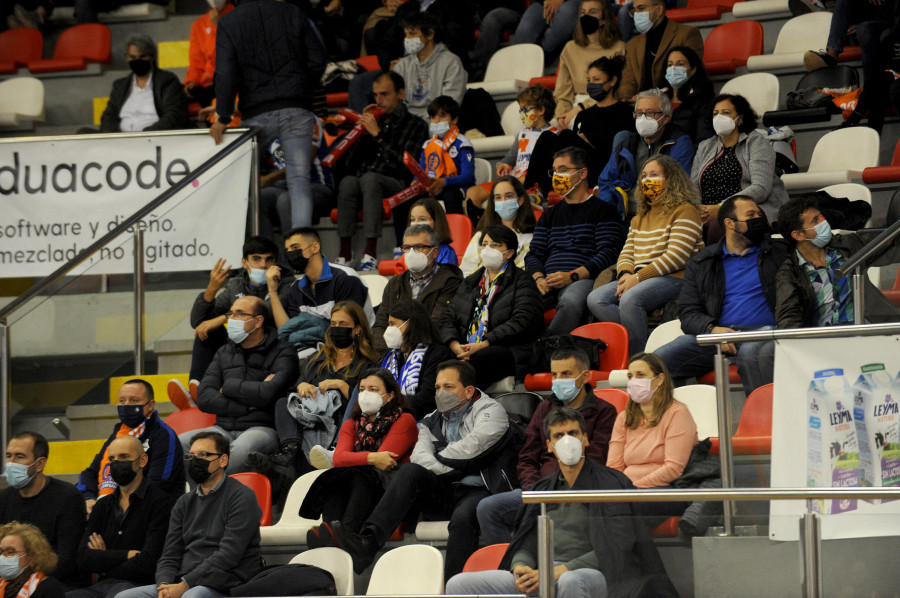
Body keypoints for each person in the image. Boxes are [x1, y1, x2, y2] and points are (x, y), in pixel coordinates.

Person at [447, 407, 677, 598]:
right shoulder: (542, 489)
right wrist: (521, 567)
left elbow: (617, 547)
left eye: (573, 433)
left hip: (597, 573)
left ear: (585, 439)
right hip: (543, 573)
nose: (567, 441)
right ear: (548, 445)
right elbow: (526, 541)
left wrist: (558, 571)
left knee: (570, 581)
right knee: (459, 585)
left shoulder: (612, 482)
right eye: (558, 436)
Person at [331, 360, 514, 580]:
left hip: (480, 490)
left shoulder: (492, 411)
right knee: (409, 471)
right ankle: (368, 542)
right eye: (437, 387)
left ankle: (454, 587)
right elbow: (419, 458)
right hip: (444, 490)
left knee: (463, 518)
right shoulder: (430, 419)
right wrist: (447, 467)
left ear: (468, 391)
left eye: (449, 387)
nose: (440, 393)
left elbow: (470, 451)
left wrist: (437, 459)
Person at [476, 348, 617, 545]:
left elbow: (597, 458)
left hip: (580, 492)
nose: (558, 380)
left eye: (566, 374)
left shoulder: (604, 411)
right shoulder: (544, 408)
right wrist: (535, 490)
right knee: (488, 508)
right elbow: (527, 456)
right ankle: (509, 569)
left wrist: (561, 489)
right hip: (539, 489)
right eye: (554, 374)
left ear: (585, 376)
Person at [653, 196, 786, 397]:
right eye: (751, 215)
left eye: (759, 214)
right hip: (721, 336)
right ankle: (682, 421)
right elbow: (688, 312)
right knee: (658, 362)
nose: (759, 218)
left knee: (751, 353)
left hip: (766, 332)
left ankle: (763, 423)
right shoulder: (702, 262)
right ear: (729, 223)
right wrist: (712, 329)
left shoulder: (778, 253)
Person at [211, 0, 327, 229]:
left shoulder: (228, 22)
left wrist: (223, 116)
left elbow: (225, 73)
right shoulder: (291, 10)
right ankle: (302, 252)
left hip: (256, 112)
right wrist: (302, 85)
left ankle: (248, 250)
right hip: (296, 107)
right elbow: (318, 59)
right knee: (299, 182)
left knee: (241, 181)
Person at [114, 432, 262, 598]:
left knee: (192, 596)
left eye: (203, 455)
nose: (195, 460)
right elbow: (169, 554)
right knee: (124, 597)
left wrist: (185, 585)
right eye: (191, 456)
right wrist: (164, 585)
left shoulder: (242, 497)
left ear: (223, 460)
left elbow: (228, 556)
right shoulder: (183, 502)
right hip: (183, 581)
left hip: (227, 582)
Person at [587, 156, 703, 354]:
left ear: (671, 179)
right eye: (644, 176)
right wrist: (625, 275)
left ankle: (640, 357)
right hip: (640, 277)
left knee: (630, 298)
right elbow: (626, 253)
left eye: (654, 175)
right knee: (596, 298)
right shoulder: (640, 216)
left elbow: (677, 256)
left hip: (677, 276)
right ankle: (645, 344)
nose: (647, 180)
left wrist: (638, 278)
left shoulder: (685, 210)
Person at [248, 301, 378, 477]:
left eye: (343, 324)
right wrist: (301, 385)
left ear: (357, 329)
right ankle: (289, 452)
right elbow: (295, 389)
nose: (337, 328)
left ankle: (294, 467)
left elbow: (367, 402)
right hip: (310, 417)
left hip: (339, 422)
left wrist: (342, 385)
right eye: (334, 324)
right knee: (282, 403)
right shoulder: (319, 358)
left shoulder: (368, 363)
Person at [168, 236, 292, 408]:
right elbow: (198, 321)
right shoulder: (237, 285)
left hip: (268, 345)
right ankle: (196, 389)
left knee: (215, 325)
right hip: (240, 343)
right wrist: (211, 290)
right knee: (207, 331)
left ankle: (202, 392)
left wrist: (224, 318)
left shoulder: (287, 282)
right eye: (256, 259)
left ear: (276, 262)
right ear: (244, 262)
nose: (263, 265)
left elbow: (268, 315)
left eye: (269, 259)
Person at [183, 296, 300, 476]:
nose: (231, 319)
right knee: (180, 444)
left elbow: (269, 393)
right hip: (222, 427)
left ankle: (216, 498)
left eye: (239, 314)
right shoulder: (224, 352)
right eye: (231, 314)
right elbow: (205, 397)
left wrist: (228, 387)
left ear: (258, 320)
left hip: (262, 428)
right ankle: (199, 497)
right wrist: (248, 403)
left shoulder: (283, 351)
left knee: (239, 451)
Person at [299, 369, 418, 545]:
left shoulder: (405, 420)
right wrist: (371, 457)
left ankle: (346, 531)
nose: (365, 394)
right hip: (358, 490)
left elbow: (385, 461)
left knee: (359, 474)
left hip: (390, 496)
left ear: (390, 395)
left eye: (373, 389)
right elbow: (339, 459)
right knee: (337, 476)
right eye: (362, 390)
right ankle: (331, 530)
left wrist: (360, 459)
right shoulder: (351, 424)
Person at [526, 147, 626, 336]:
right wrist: (539, 278)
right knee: (516, 303)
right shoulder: (550, 214)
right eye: (554, 171)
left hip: (581, 279)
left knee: (571, 300)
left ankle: (551, 349)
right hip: (546, 280)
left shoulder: (603, 211)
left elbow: (609, 253)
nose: (557, 176)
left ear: (582, 173)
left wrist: (572, 275)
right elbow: (534, 253)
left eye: (563, 170)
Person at [336, 71, 430, 271]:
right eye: (376, 95)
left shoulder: (416, 125)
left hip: (396, 183)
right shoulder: (372, 121)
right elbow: (349, 165)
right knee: (347, 182)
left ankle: (370, 253)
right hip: (365, 185)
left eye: (385, 94)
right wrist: (360, 132)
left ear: (400, 93)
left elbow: (405, 168)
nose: (379, 101)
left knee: (370, 179)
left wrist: (378, 136)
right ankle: (344, 253)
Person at [440, 225, 544, 388]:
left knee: (479, 359)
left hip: (508, 350)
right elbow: (448, 318)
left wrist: (483, 344)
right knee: (437, 354)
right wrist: (455, 346)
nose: (488, 249)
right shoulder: (470, 282)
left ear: (510, 253)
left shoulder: (523, 282)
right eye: (485, 244)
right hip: (468, 347)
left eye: (496, 245)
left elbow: (523, 321)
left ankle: (459, 405)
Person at [70, 437, 175, 598]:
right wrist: (126, 555)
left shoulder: (160, 503)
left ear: (142, 460)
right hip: (102, 585)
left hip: (138, 586)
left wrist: (103, 562)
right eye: (112, 459)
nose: (116, 463)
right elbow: (83, 558)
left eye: (124, 457)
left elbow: (149, 562)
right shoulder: (103, 505)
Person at [775, 195, 900, 328]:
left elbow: (891, 244)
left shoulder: (847, 245)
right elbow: (789, 320)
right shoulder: (789, 273)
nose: (824, 222)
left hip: (870, 329)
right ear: (798, 235)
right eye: (815, 220)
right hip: (826, 341)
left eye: (821, 216)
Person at [607, 352, 698, 524]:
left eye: (640, 375)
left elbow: (673, 468)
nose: (634, 381)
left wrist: (633, 490)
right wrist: (622, 491)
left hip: (666, 489)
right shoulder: (624, 418)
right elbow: (613, 467)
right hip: (629, 492)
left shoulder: (677, 413)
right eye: (630, 376)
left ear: (660, 379)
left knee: (624, 511)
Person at [524, 55, 632, 197]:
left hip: (602, 168)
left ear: (612, 80)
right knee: (547, 136)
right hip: (576, 165)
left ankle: (546, 184)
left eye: (597, 79)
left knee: (566, 135)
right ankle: (531, 190)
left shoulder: (625, 112)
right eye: (589, 80)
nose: (592, 84)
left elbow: (621, 150)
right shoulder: (584, 115)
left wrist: (588, 143)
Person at [691, 94, 789, 242]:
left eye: (726, 112)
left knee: (720, 226)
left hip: (751, 209)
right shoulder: (705, 146)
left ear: (741, 118)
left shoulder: (756, 142)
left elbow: (760, 188)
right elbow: (693, 187)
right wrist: (699, 211)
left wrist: (722, 208)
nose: (719, 118)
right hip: (709, 213)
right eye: (715, 114)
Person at [77, 379, 184, 508]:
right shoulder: (119, 432)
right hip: (114, 506)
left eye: (134, 400)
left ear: (150, 405)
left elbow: (158, 485)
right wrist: (89, 498)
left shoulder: (163, 436)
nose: (126, 405)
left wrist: (111, 506)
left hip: (153, 512)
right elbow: (91, 472)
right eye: (122, 401)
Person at [388, 97, 475, 252]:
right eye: (433, 117)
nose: (436, 121)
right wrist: (416, 181)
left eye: (442, 116)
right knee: (404, 201)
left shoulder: (463, 143)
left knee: (451, 196)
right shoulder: (428, 145)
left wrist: (443, 182)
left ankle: (453, 243)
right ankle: (402, 246)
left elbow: (468, 177)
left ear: (454, 119)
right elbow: (421, 169)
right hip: (430, 188)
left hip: (455, 188)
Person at [595, 88, 695, 221]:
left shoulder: (679, 143)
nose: (643, 118)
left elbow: (677, 187)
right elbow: (606, 181)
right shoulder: (625, 144)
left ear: (665, 118)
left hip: (661, 217)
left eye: (649, 113)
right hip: (624, 218)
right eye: (639, 113)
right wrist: (611, 214)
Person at [0, 432, 85, 585]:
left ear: (39, 464)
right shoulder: (4, 498)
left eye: (19, 457)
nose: (11, 463)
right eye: (8, 456)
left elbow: (67, 561)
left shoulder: (68, 497)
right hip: (9, 581)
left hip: (54, 583)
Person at [372, 225, 463, 356]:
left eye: (419, 247)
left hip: (430, 353)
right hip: (392, 354)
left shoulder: (450, 282)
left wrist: (408, 352)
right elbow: (380, 325)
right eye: (407, 248)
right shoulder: (395, 283)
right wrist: (385, 356)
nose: (412, 252)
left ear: (435, 252)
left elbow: (437, 324)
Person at [465, 85, 556, 215]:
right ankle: (478, 225)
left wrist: (526, 178)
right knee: (473, 193)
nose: (521, 114)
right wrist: (503, 164)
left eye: (525, 109)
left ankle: (488, 221)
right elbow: (510, 157)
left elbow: (550, 168)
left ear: (541, 110)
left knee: (505, 194)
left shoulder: (554, 135)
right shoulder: (522, 133)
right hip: (514, 181)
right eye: (520, 110)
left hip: (534, 186)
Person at [269, 227, 372, 332]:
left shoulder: (345, 278)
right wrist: (272, 292)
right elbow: (288, 330)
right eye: (287, 250)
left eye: (295, 247)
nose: (290, 254)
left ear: (315, 247)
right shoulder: (297, 288)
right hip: (311, 346)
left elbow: (346, 329)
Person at [376, 300, 456, 418]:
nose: (389, 329)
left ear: (411, 324)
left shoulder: (437, 354)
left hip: (421, 421)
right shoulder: (393, 356)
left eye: (393, 324)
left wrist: (390, 411)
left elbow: (427, 398)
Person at [554, 0, 625, 128]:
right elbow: (562, 93)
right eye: (583, 12)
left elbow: (617, 89)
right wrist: (562, 116)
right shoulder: (570, 48)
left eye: (593, 12)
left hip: (605, 104)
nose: (586, 16)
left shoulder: (619, 48)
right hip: (574, 106)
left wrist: (580, 108)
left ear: (604, 19)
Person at [99, 33, 189, 133]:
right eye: (132, 57)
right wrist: (115, 137)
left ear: (152, 57)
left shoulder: (167, 81)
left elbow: (174, 115)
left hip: (152, 139)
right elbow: (109, 116)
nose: (137, 61)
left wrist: (146, 135)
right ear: (127, 58)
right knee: (83, 132)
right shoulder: (120, 86)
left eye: (142, 56)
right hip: (121, 140)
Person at [617, 0, 704, 101]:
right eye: (634, 10)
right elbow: (627, 81)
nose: (636, 14)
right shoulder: (632, 45)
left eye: (641, 9)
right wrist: (625, 100)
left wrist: (648, 98)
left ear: (659, 9)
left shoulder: (687, 34)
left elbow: (691, 75)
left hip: (675, 102)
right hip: (640, 108)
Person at [391, 13, 467, 120]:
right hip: (407, 127)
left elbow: (448, 109)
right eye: (406, 34)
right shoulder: (401, 66)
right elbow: (394, 104)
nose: (407, 39)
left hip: (436, 126)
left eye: (412, 34)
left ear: (430, 34)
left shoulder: (452, 63)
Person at [459, 177, 536, 276]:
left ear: (520, 200)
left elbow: (524, 273)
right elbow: (465, 271)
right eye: (498, 197)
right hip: (477, 288)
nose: (503, 201)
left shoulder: (530, 238)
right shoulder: (481, 236)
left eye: (508, 196)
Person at [183, 0, 234, 108]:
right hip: (207, 88)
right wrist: (192, 81)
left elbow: (226, 56)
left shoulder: (239, 18)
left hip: (232, 82)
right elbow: (196, 61)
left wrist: (217, 28)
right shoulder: (199, 24)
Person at [662, 45, 714, 147]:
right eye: (670, 65)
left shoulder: (702, 100)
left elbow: (703, 138)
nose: (673, 69)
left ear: (693, 70)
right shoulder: (659, 98)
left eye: (680, 64)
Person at [0, 522, 65, 598]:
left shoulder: (49, 588)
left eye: (10, 552)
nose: (2, 557)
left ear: (31, 556)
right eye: (0, 552)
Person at [513, 0, 582, 61]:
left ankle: (540, 58)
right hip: (543, 3)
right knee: (524, 30)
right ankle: (523, 66)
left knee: (568, 12)